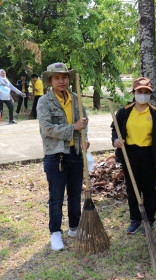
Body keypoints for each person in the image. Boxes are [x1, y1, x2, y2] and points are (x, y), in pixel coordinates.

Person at [37, 62, 89, 251]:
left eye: (65, 77)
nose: (62, 81)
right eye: (57, 78)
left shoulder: (75, 99)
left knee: (75, 195)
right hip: (55, 156)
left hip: (75, 154)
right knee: (56, 197)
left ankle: (74, 228)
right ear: (50, 80)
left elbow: (84, 122)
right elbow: (47, 129)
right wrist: (73, 128)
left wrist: (85, 139)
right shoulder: (44, 102)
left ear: (69, 79)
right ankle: (55, 233)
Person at [111, 77, 156, 236]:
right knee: (132, 188)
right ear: (133, 93)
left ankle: (149, 219)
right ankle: (135, 219)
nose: (142, 95)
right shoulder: (125, 111)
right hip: (129, 154)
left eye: (146, 92)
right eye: (139, 92)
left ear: (150, 94)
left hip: (148, 155)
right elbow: (114, 129)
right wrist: (115, 140)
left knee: (149, 189)